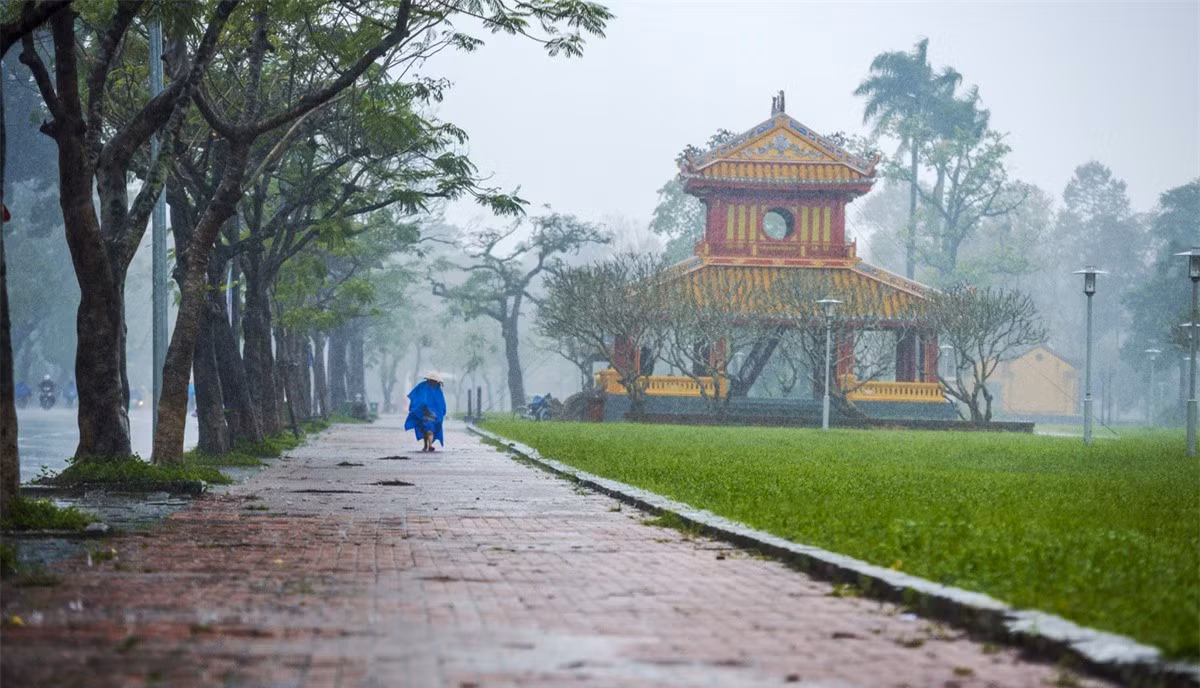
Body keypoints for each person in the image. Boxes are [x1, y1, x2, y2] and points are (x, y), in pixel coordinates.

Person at [404, 372, 446, 452]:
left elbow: (441, 402)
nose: (433, 382)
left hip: (433, 413)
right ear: (429, 379)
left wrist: (441, 410)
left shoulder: (437, 389)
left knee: (430, 428)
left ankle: (430, 445)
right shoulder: (422, 387)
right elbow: (416, 396)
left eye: (435, 381)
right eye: (432, 380)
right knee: (424, 429)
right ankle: (426, 445)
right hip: (422, 412)